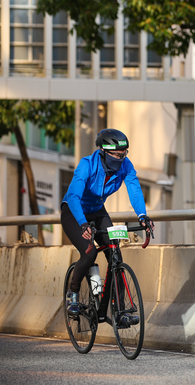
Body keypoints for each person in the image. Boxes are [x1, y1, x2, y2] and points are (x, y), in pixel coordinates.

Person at [60, 128, 154, 324]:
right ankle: (72, 293)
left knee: (115, 253)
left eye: (123, 154)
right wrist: (83, 223)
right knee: (89, 252)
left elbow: (134, 188)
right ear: (103, 151)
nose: (121, 159)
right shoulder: (87, 165)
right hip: (74, 212)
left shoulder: (125, 165)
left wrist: (142, 216)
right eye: (116, 155)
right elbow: (74, 196)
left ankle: (120, 312)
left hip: (98, 211)